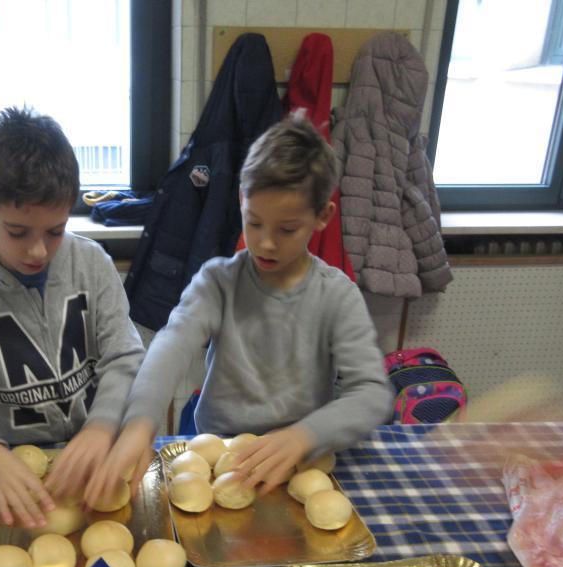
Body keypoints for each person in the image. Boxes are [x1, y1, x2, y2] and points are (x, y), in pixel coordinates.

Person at [86, 114, 393, 503]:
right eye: (255, 222)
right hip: (222, 456)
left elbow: (370, 394)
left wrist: (305, 435)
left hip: (299, 458)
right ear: (241, 201)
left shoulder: (337, 295)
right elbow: (172, 345)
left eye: (286, 230)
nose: (265, 243)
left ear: (322, 217)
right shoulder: (218, 282)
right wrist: (140, 421)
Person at [0, 106, 145, 528]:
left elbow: (124, 357)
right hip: (10, 465)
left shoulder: (91, 262)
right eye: (18, 232)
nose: (37, 251)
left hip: (95, 451)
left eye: (54, 231)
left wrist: (102, 425)